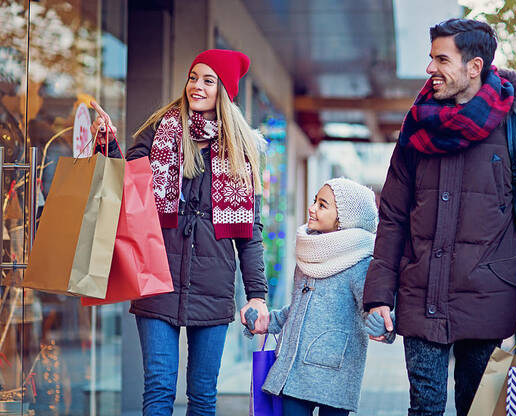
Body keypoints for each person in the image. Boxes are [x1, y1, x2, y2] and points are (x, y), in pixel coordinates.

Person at [363, 18, 516, 416]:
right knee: (424, 407)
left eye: (441, 59)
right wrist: (380, 294)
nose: (430, 69)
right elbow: (393, 217)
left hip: (489, 299)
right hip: (420, 296)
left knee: (478, 409)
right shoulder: (415, 131)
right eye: (430, 58)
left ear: (474, 66)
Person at [90, 49, 269, 416]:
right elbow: (130, 187)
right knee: (158, 388)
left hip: (213, 285)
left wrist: (258, 295)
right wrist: (108, 145)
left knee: (203, 396)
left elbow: (250, 233)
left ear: (224, 91)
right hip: (156, 276)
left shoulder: (242, 152)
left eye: (208, 80)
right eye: (193, 77)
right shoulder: (159, 132)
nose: (196, 87)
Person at [246, 178, 382, 416]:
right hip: (295, 369)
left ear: (343, 219)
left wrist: (382, 324)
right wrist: (268, 322)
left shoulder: (361, 262)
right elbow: (298, 309)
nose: (312, 208)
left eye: (322, 205)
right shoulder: (309, 254)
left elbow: (374, 308)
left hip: (336, 372)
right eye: (314, 201)